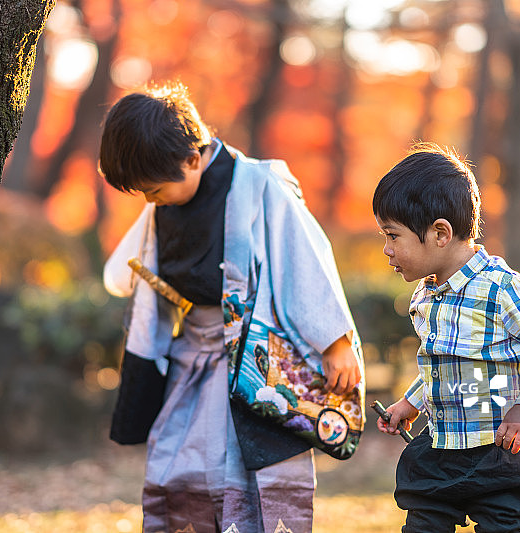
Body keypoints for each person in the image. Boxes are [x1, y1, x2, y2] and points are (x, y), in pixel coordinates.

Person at [99, 81, 363, 533]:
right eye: (143, 193)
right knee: (178, 465)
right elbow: (126, 274)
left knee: (249, 474)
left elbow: (304, 258)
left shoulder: (260, 185)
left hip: (255, 359)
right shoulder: (166, 196)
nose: (149, 201)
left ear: (192, 158)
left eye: (154, 190)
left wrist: (335, 340)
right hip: (192, 358)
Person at [372, 143, 520, 533]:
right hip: (443, 450)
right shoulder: (426, 295)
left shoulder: (503, 288)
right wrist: (410, 403)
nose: (386, 249)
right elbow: (446, 363)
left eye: (393, 236)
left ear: (440, 233)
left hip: (501, 453)